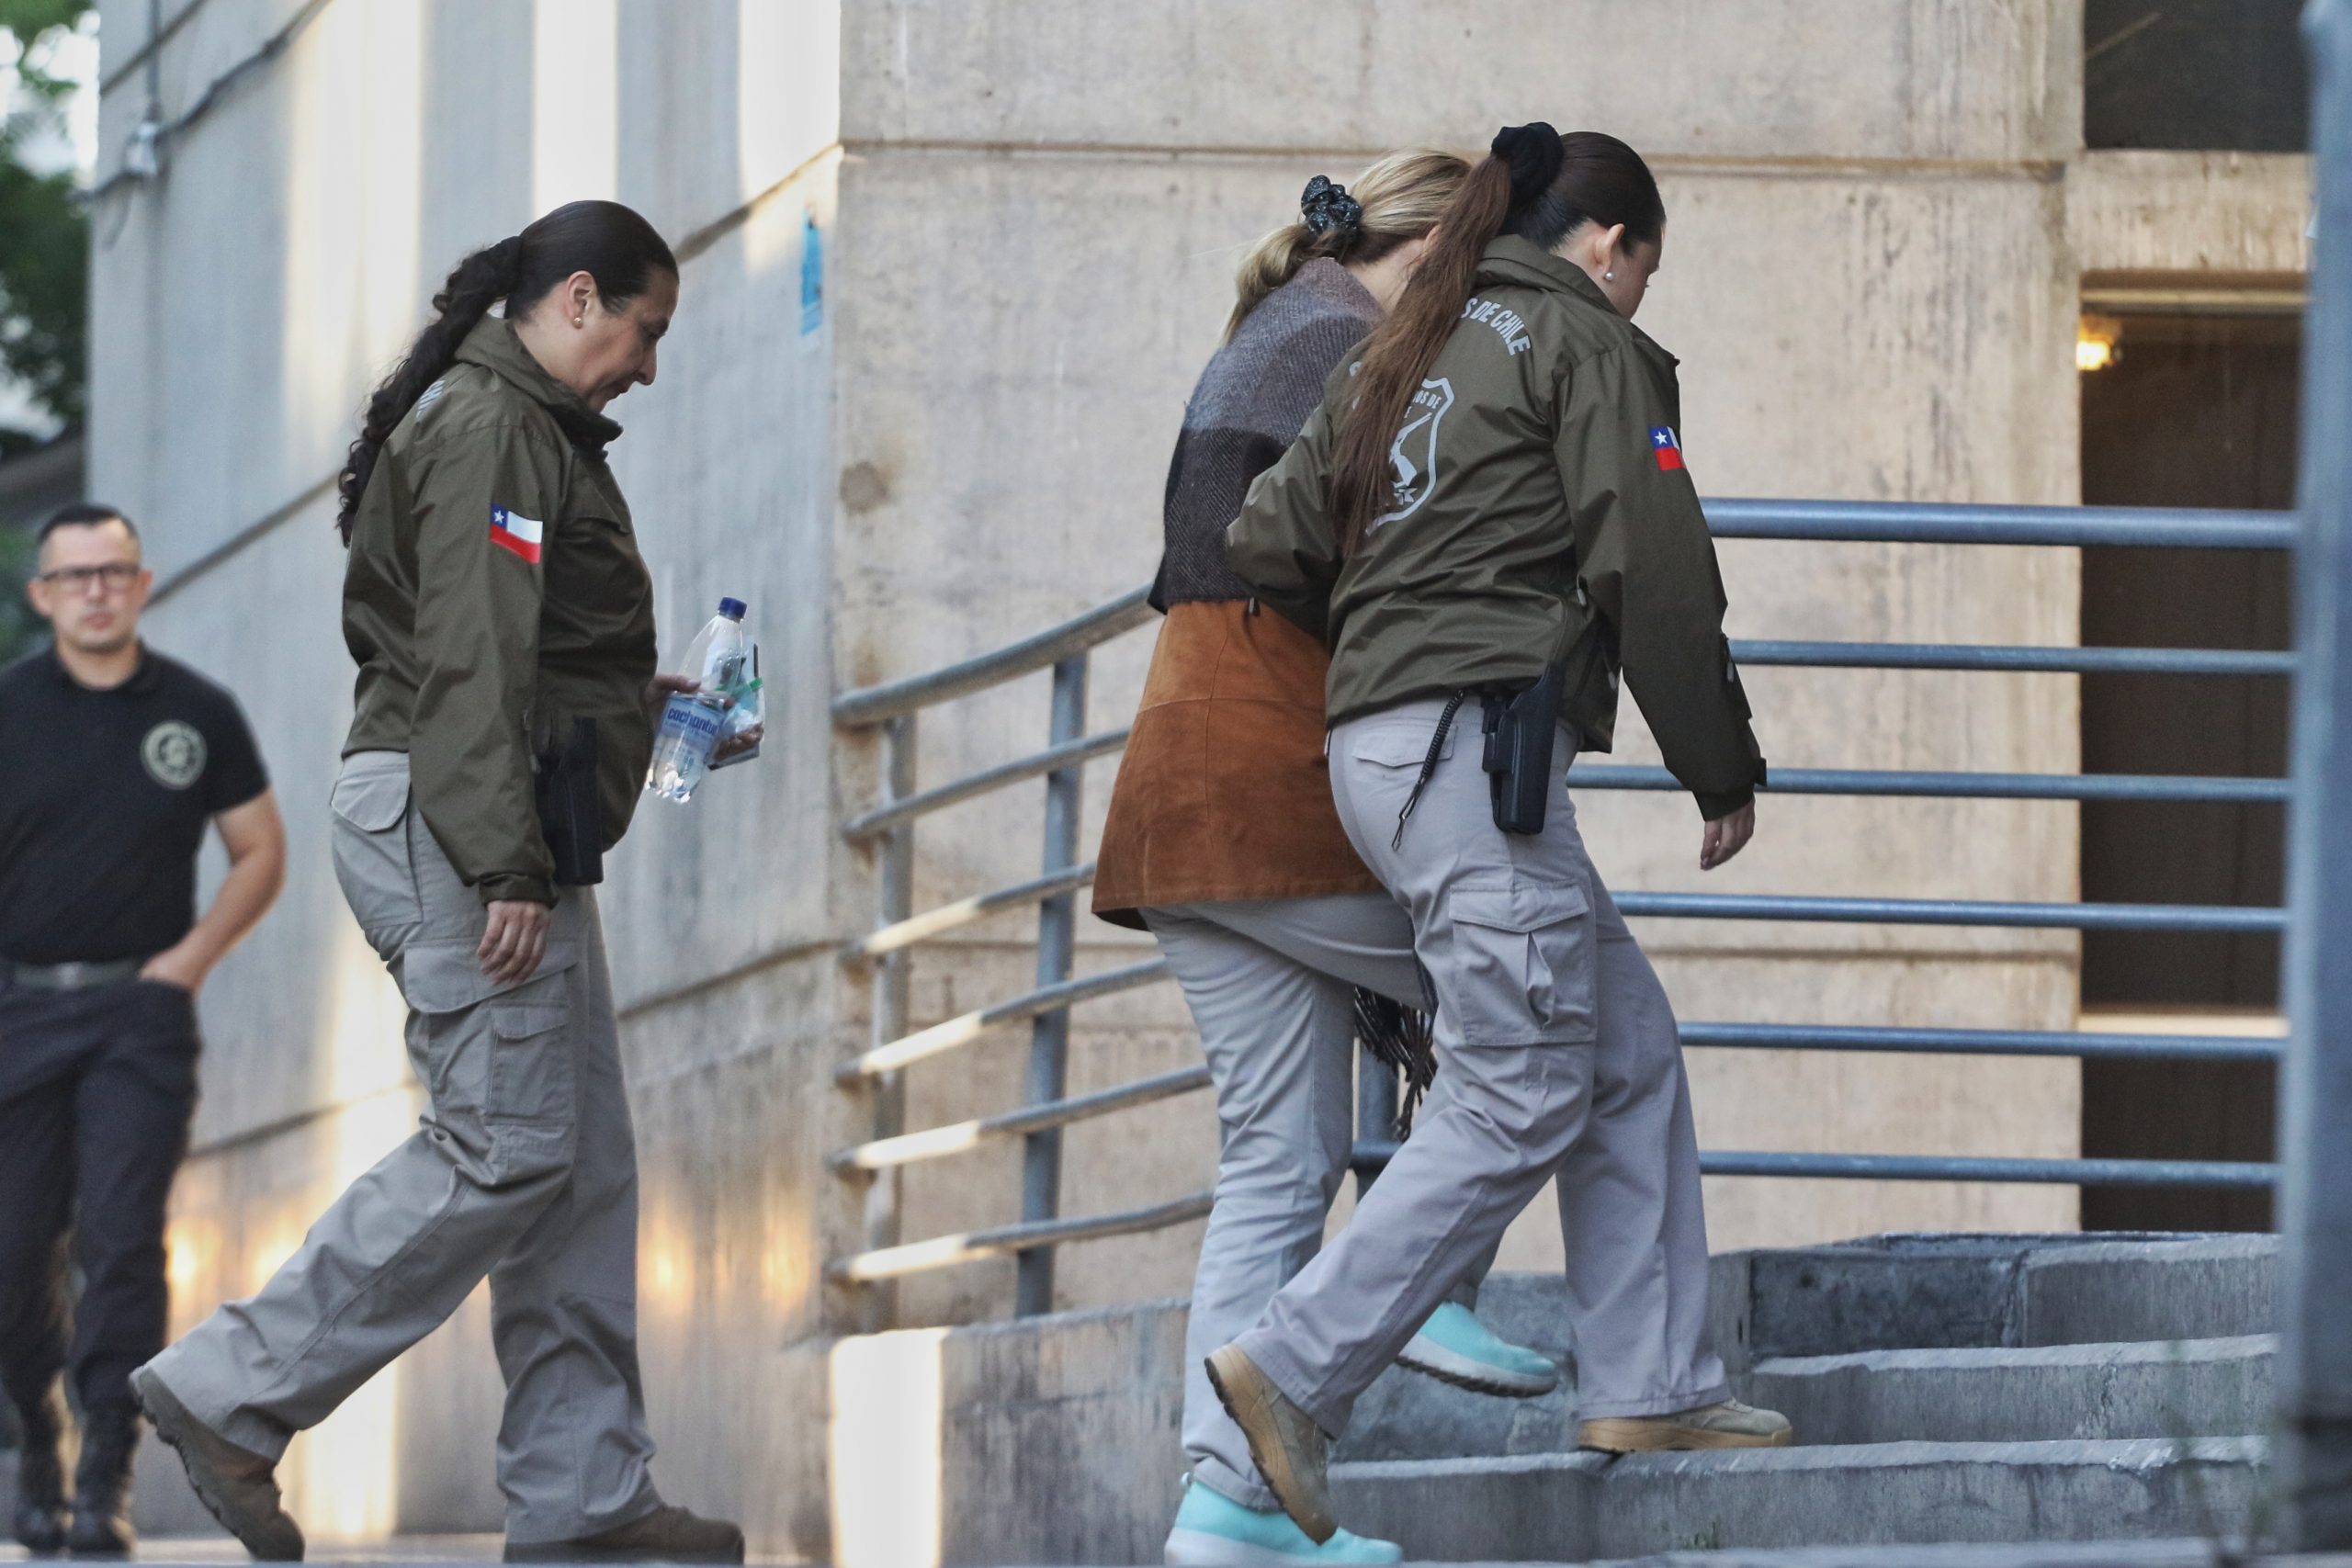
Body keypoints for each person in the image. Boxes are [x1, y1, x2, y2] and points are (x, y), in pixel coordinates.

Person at [130, 200, 742, 1565]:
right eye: (645, 330)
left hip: (494, 808)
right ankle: (231, 1389)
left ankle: (584, 1498)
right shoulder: (490, 429)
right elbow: (468, 662)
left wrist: (640, 699)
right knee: (506, 1142)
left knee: (574, 1167)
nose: (649, 363)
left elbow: (508, 647)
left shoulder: (517, 423)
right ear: (580, 298)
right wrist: (504, 857)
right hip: (464, 818)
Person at [1209, 127, 1793, 1543]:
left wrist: (1407, 577)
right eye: (1642, 267)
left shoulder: (1401, 342)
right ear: (1609, 245)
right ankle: (1296, 1359)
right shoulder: (1580, 340)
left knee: (1623, 1046)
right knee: (1518, 1083)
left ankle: (1652, 1376)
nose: (1637, 293)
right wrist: (1718, 760)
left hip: (1387, 745)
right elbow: (1651, 561)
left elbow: (1269, 538)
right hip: (1473, 746)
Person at [1094, 151, 1561, 1568]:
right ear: (1422, 246)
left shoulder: (1275, 325)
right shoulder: (1348, 344)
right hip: (1266, 771)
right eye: (1470, 272)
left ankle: (1224, 1510)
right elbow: (1370, 567)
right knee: (1527, 993)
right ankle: (1421, 1277)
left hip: (1178, 787)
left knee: (1275, 1159)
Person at [0, 504, 287, 1558]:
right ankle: (42, 1431)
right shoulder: (10, 709)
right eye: (73, 577)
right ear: (44, 596)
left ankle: (103, 1480)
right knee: (12, 1250)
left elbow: (260, 848)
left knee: (123, 1240)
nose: (94, 591)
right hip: (18, 1010)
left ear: (142, 582)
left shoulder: (197, 712)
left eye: (112, 572)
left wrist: (188, 963)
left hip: (139, 1016)